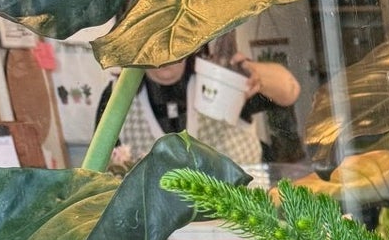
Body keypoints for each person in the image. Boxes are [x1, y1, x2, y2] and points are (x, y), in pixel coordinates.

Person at [96, 54, 301, 171]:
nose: (164, 51)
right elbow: (102, 174)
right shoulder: (118, 97)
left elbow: (290, 91)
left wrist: (251, 72)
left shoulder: (220, 79)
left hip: (243, 231)